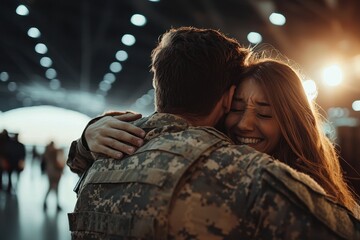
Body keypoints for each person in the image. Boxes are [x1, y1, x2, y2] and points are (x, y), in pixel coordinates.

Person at [67, 27, 360, 239]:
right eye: (238, 107)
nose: (245, 124)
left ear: (160, 86)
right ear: (225, 100)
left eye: (265, 112)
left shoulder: (104, 158)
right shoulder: (251, 177)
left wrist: (85, 142)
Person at [43, 141, 65, 211]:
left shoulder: (47, 152)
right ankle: (56, 204)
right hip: (55, 172)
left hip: (49, 172)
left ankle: (45, 202)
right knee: (55, 188)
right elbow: (58, 161)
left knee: (50, 187)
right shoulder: (54, 152)